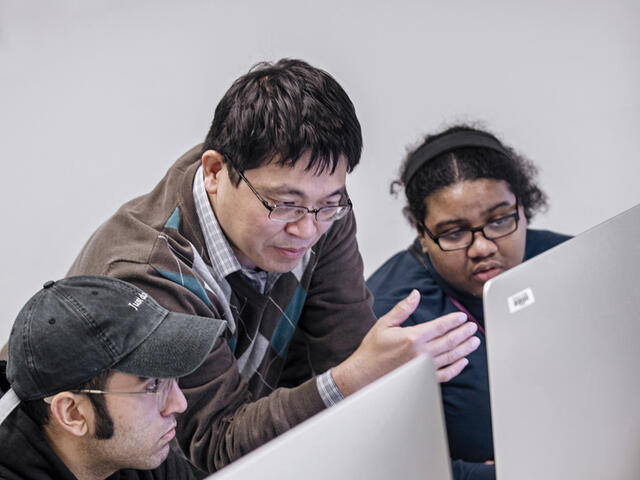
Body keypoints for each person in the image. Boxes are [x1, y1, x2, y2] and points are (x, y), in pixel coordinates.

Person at [59, 59, 480, 473]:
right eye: (286, 204)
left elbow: (345, 355)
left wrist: (377, 372)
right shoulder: (151, 276)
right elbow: (214, 447)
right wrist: (351, 378)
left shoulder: (319, 216)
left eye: (329, 203)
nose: (307, 229)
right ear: (214, 173)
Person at [366, 124, 570, 480]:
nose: (483, 247)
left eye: (500, 220)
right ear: (421, 232)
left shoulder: (569, 260)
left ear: (523, 208)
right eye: (454, 232)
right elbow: (379, 461)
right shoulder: (392, 315)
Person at [0, 275, 226, 479]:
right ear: (73, 413)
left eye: (172, 379)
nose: (179, 403)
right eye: (153, 385)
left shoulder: (139, 453)